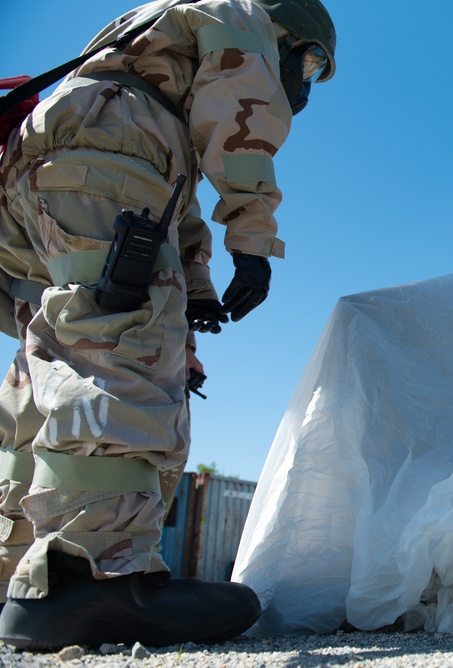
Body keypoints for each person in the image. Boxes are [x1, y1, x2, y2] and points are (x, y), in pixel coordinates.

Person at [0, 0, 336, 650]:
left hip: (36, 175)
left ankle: (19, 572)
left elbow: (163, 199)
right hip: (100, 156)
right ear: (293, 36)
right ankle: (92, 575)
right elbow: (240, 112)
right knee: (123, 339)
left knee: (49, 366)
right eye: (312, 65)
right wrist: (254, 239)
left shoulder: (150, 52)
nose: (304, 83)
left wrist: (198, 291)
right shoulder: (241, 16)